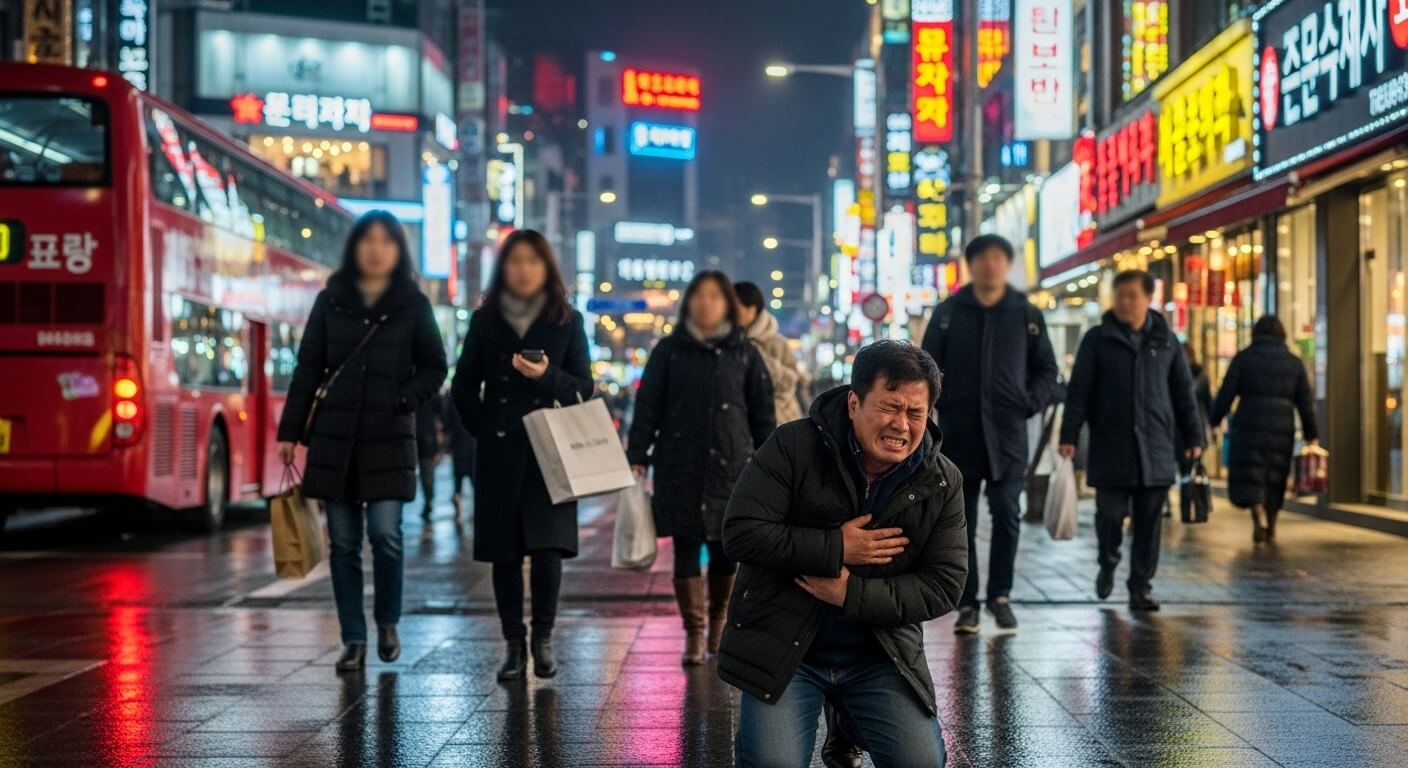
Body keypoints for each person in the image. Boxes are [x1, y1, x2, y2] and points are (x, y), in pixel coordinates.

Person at [720, 341, 966, 767]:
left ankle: (847, 720)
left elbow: (944, 585)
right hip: (787, 651)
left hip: (880, 653)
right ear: (854, 402)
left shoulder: (941, 480)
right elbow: (741, 533)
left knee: (921, 763)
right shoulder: (793, 446)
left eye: (916, 413)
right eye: (890, 408)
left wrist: (850, 594)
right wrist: (836, 547)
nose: (902, 425)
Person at [276, 210, 447, 672]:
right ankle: (353, 638)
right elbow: (308, 369)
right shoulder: (330, 300)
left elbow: (436, 366)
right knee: (345, 543)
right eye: (368, 240)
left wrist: (405, 398)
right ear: (355, 247)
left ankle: (387, 620)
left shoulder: (412, 304)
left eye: (386, 241)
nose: (376, 249)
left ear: (398, 251)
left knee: (386, 534)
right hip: (336, 441)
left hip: (389, 437)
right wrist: (289, 432)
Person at [450, 229, 594, 681]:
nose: (524, 269)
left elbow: (583, 388)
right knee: (504, 553)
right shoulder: (484, 321)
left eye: (533, 261)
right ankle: (513, 644)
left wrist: (548, 376)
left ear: (546, 268)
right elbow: (463, 385)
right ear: (504, 268)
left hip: (551, 453)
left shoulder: (567, 321)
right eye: (515, 261)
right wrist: (484, 429)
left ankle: (543, 639)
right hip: (499, 452)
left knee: (548, 550)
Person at [627, 271, 775, 665]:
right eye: (699, 296)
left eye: (715, 296)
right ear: (688, 302)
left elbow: (762, 414)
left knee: (726, 549)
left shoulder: (745, 352)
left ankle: (718, 625)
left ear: (726, 303)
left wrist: (772, 464)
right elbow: (648, 408)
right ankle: (693, 633)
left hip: (733, 465)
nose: (706, 303)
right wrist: (637, 453)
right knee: (686, 546)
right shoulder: (668, 351)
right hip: (680, 464)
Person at [920, 234, 1058, 634]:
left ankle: (1001, 595)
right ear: (972, 265)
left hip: (1009, 433)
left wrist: (1030, 401)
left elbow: (1047, 370)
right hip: (960, 434)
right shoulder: (949, 312)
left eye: (998, 258)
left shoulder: (1026, 313)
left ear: (1006, 264)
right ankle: (969, 603)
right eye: (982, 258)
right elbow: (926, 368)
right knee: (961, 520)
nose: (990, 265)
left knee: (1008, 514)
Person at [1059, 270, 1203, 612]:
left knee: (1149, 523)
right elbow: (1078, 392)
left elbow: (1183, 392)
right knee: (1109, 516)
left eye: (1132, 295)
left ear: (1148, 298)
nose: (1124, 302)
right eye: (1119, 295)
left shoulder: (1167, 340)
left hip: (1155, 447)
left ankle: (1141, 586)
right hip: (1111, 446)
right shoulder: (1096, 339)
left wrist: (1193, 436)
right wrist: (1069, 436)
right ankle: (1108, 562)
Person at [1209, 316, 1319, 543]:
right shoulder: (1293, 363)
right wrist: (1311, 434)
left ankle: (1258, 514)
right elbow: (1305, 402)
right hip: (1282, 427)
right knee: (1275, 475)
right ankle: (1273, 524)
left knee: (1253, 473)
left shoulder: (1244, 358)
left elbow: (1226, 394)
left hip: (1249, 424)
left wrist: (1214, 419)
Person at [735, 281, 806, 424]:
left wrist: (756, 355)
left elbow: (789, 382)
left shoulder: (777, 344)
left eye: (735, 307)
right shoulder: (726, 343)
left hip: (777, 424)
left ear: (751, 310)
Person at [440, 392, 475, 522]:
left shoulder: (452, 402)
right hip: (471, 445)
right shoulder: (474, 402)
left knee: (457, 480)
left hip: (459, 446)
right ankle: (474, 507)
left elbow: (447, 422)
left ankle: (458, 505)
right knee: (473, 480)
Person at [414, 391, 444, 521]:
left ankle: (428, 501)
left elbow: (440, 420)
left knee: (427, 476)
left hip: (426, 439)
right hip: (419, 438)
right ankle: (428, 501)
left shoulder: (432, 394)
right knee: (426, 476)